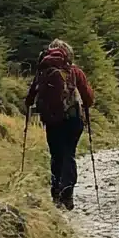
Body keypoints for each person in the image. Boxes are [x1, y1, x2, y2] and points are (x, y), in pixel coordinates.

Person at [25, 39, 95, 210]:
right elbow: (88, 98)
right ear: (68, 54)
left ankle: (56, 193)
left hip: (51, 120)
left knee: (56, 155)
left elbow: (30, 97)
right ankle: (67, 194)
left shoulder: (43, 71)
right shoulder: (75, 71)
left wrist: (32, 105)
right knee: (69, 154)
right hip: (73, 119)